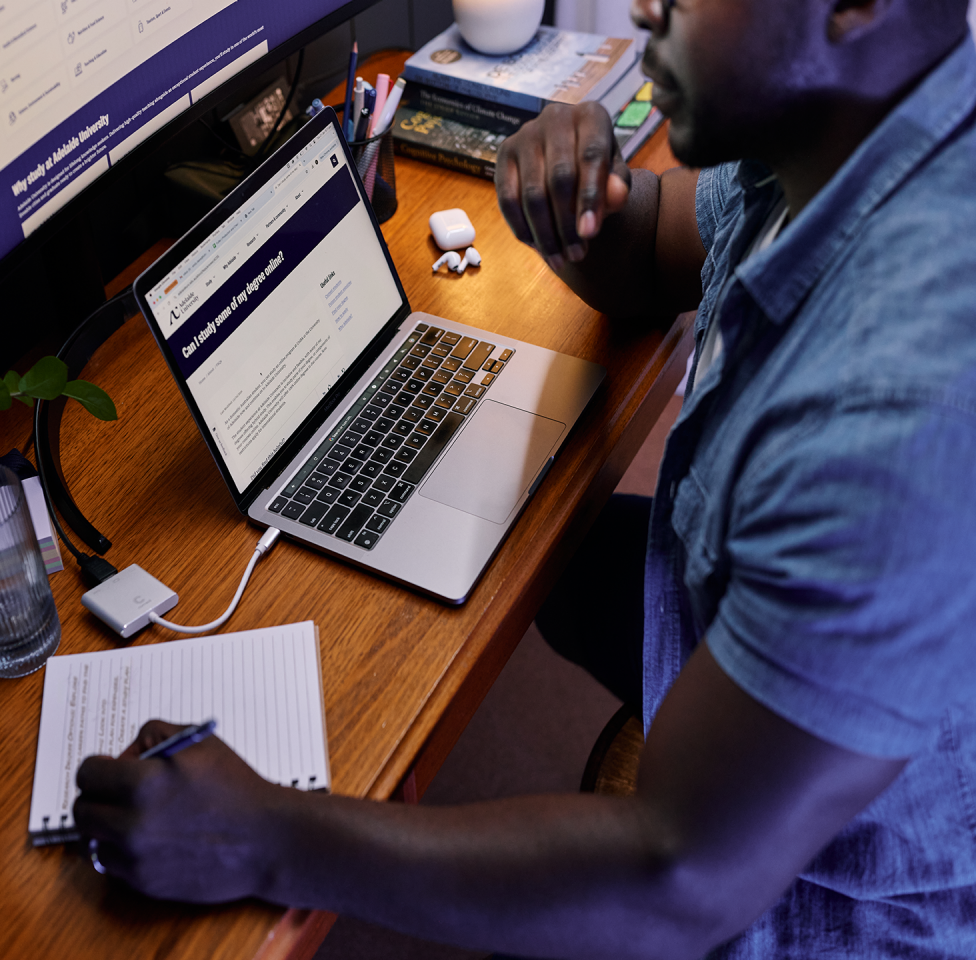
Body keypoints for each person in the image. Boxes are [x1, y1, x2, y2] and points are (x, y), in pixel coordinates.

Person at [72, 0, 976, 955]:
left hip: (830, 916)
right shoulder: (831, 143)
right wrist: (574, 205)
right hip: (766, 689)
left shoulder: (896, 414)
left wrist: (267, 840)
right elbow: (658, 243)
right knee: (556, 564)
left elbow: (676, 882)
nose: (645, 6)